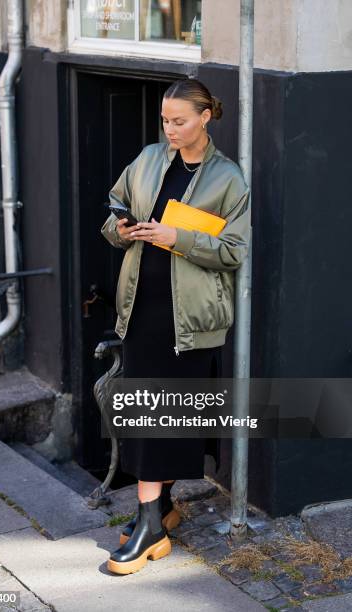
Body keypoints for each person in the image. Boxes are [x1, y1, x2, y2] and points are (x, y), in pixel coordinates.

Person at [101, 78, 251, 575]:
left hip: (188, 316)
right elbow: (113, 208)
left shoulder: (227, 177)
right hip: (142, 306)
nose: (169, 129)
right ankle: (156, 512)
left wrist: (176, 236)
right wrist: (121, 229)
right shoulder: (147, 159)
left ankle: (150, 525)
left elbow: (234, 251)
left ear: (205, 117)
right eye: (165, 120)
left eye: (179, 121)